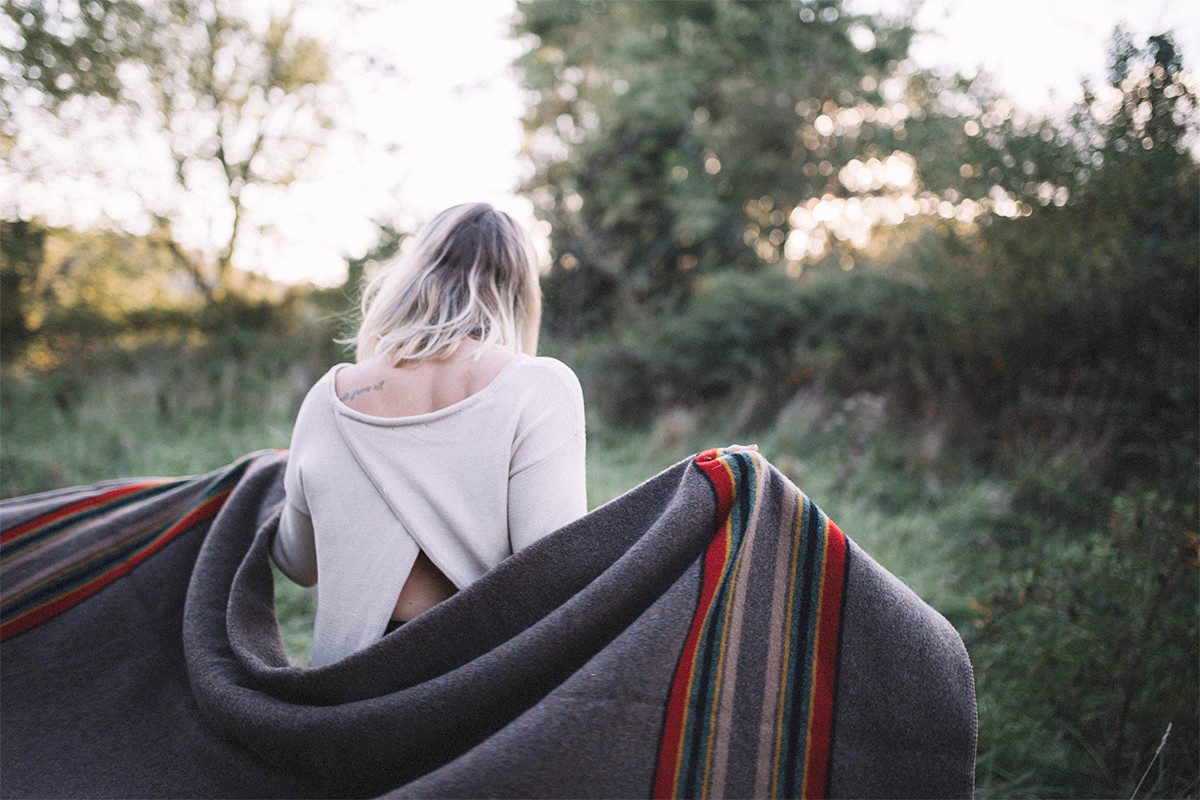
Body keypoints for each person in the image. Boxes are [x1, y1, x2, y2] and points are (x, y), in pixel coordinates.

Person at [271, 203, 587, 666]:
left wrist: (266, 485)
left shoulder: (329, 397)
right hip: (472, 685)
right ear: (520, 293)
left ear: (413, 274)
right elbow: (555, 579)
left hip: (345, 691)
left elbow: (298, 564)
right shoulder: (537, 387)